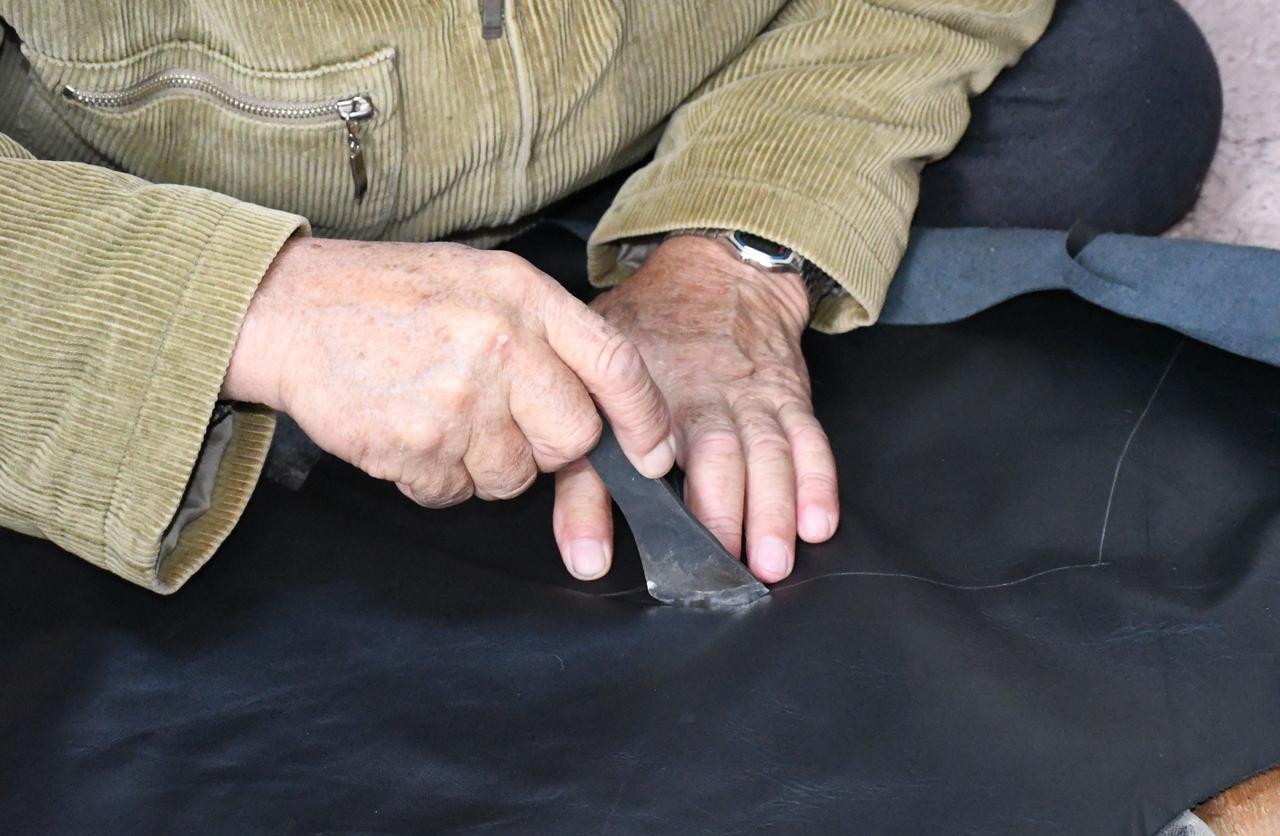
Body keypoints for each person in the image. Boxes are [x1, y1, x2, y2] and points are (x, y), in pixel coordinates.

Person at [0, 0, 1219, 595]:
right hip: (166, 195)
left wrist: (737, 244)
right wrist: (252, 308)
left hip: (678, 95)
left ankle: (623, 230)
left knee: (1119, 96)